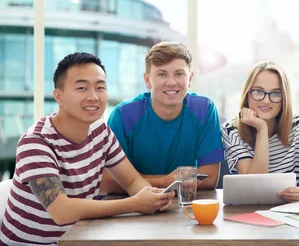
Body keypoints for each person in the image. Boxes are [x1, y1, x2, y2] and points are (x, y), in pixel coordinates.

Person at [0, 53, 173, 245]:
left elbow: (131, 180)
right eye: (82, 88)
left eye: (100, 87)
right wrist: (135, 204)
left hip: (78, 239)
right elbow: (62, 211)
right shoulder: (36, 142)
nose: (93, 96)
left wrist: (153, 198)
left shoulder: (101, 131)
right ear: (59, 96)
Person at [102, 42, 224, 193]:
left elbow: (210, 177)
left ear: (190, 78)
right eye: (162, 74)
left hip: (186, 206)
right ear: (147, 80)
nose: (171, 82)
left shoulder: (204, 109)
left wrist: (147, 182)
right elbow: (107, 181)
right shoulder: (123, 115)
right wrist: (165, 181)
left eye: (179, 74)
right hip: (133, 205)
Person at [221, 61, 299, 201]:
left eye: (275, 93)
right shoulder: (232, 130)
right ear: (247, 95)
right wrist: (262, 129)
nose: (266, 100)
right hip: (249, 211)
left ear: (284, 98)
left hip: (290, 208)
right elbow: (254, 184)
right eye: (258, 91)